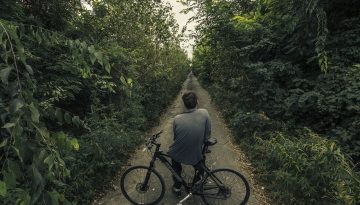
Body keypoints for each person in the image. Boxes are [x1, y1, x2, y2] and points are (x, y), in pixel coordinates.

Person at [168, 91, 212, 197]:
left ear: (184, 104)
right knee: (200, 163)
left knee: (175, 165)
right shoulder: (205, 113)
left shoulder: (177, 119)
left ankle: (177, 187)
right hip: (196, 153)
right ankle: (199, 181)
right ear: (197, 101)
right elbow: (207, 134)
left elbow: (176, 137)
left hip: (179, 152)